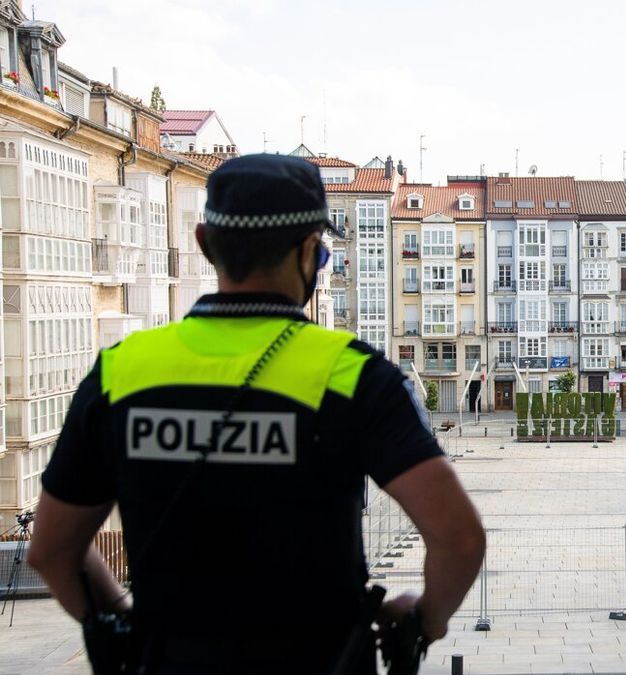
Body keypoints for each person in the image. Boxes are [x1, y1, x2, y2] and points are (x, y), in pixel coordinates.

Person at [27, 154, 485, 673]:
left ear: (204, 242)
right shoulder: (353, 375)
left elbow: (51, 549)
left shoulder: (121, 372)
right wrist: (423, 620)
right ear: (311, 252)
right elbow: (458, 537)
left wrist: (124, 620)